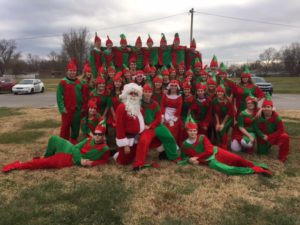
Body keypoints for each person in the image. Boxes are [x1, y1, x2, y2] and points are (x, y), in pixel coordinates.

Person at [2, 122, 110, 172]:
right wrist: (80, 161)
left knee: (43, 163)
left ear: (103, 136)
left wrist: (92, 163)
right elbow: (76, 147)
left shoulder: (105, 149)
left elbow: (104, 161)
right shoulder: (88, 139)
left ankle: (19, 165)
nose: (96, 136)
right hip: (72, 150)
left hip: (68, 158)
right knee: (54, 139)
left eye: (99, 134)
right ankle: (46, 157)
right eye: (95, 133)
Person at [180, 117, 271, 175]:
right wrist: (190, 160)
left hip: (217, 152)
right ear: (187, 131)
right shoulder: (185, 144)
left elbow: (210, 151)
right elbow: (184, 158)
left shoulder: (202, 137)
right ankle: (254, 170)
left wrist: (196, 157)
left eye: (194, 131)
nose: (193, 133)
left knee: (237, 159)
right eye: (190, 131)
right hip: (210, 161)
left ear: (197, 131)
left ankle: (254, 165)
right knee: (228, 170)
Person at [133, 83, 180, 170]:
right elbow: (137, 117)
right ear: (143, 92)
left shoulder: (155, 104)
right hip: (145, 127)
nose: (147, 94)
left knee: (169, 137)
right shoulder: (139, 104)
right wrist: (144, 126)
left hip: (156, 126)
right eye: (146, 92)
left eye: (149, 92)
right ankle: (139, 163)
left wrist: (152, 125)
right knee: (143, 141)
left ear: (151, 93)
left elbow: (158, 118)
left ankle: (173, 156)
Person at [114, 83, 145, 165]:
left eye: (136, 94)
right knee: (123, 162)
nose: (133, 96)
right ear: (126, 94)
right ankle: (118, 154)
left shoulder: (138, 107)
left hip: (136, 139)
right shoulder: (121, 107)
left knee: (135, 158)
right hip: (127, 139)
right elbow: (119, 127)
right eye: (131, 93)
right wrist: (125, 145)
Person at [254, 94, 290, 163]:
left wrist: (269, 137)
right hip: (263, 138)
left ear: (271, 108)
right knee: (262, 153)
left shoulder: (277, 118)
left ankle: (282, 157)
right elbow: (255, 127)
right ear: (262, 108)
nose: (266, 109)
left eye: (268, 107)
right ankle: (267, 146)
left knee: (284, 136)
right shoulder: (258, 116)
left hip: (273, 137)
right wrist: (262, 136)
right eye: (264, 107)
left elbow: (281, 130)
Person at [57, 58, 84, 144]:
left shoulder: (79, 82)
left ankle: (73, 142)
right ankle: (63, 143)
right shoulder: (63, 82)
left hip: (77, 110)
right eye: (71, 71)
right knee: (65, 127)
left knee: (76, 127)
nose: (72, 73)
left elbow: (83, 95)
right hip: (67, 110)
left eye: (74, 71)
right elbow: (59, 96)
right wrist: (62, 108)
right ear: (68, 71)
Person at [212, 83, 234, 149]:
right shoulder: (214, 100)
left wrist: (223, 124)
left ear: (224, 93)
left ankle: (224, 145)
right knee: (217, 128)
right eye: (218, 92)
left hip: (228, 118)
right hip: (218, 117)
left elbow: (228, 114)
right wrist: (218, 123)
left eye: (221, 92)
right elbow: (215, 113)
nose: (219, 93)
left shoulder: (228, 101)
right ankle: (219, 143)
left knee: (222, 129)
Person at [161, 79, 183, 144]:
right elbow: (162, 105)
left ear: (177, 87)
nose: (173, 87)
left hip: (174, 115)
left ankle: (172, 145)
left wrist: (173, 119)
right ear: (169, 86)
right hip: (165, 113)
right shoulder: (165, 95)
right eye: (172, 85)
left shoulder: (179, 97)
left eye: (175, 86)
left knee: (172, 129)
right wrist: (162, 116)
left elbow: (179, 109)